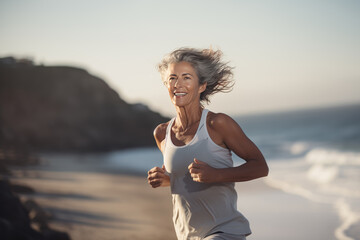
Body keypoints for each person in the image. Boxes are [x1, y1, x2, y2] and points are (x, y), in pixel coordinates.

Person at [147, 47, 269, 240]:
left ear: (201, 85)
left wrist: (217, 174)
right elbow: (187, 180)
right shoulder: (162, 133)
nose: (178, 84)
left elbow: (260, 167)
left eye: (186, 77)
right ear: (166, 84)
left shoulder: (217, 124)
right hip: (187, 234)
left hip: (224, 231)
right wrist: (167, 180)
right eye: (172, 78)